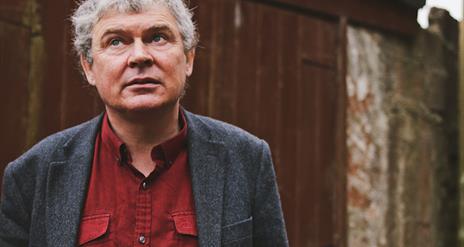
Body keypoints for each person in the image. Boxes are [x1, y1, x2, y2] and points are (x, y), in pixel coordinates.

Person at [0, 0, 288, 246]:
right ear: (89, 67)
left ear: (189, 58)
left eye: (157, 37)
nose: (139, 56)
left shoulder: (247, 159)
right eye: (116, 41)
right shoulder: (31, 175)